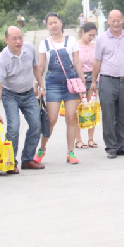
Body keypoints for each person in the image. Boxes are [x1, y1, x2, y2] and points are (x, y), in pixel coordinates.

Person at [0, 26, 46, 173]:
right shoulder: (2, 60)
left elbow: (36, 68)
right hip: (10, 95)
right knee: (13, 128)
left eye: (20, 37)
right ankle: (10, 162)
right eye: (14, 39)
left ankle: (27, 160)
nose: (18, 41)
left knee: (36, 125)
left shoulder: (29, 49)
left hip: (28, 93)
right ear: (6, 40)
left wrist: (41, 86)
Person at [35, 12, 87, 165]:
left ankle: (70, 152)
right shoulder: (44, 43)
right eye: (50, 23)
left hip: (71, 83)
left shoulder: (71, 41)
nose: (54, 25)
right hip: (52, 84)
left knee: (71, 118)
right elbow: (41, 66)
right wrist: (39, 84)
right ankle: (41, 149)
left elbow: (77, 62)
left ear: (61, 22)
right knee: (51, 120)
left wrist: (82, 82)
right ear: (47, 26)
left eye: (55, 22)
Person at [90, 10, 124, 159]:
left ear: (123, 20)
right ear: (108, 21)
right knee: (108, 114)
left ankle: (120, 145)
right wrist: (93, 81)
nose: (116, 23)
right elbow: (97, 61)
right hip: (107, 80)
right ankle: (111, 146)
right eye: (113, 21)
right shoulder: (101, 39)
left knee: (123, 114)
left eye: (119, 20)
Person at [75, 22, 99, 149]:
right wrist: (79, 81)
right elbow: (74, 63)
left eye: (94, 35)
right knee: (78, 109)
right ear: (83, 32)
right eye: (90, 35)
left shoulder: (95, 46)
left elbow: (98, 63)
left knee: (92, 108)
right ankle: (78, 139)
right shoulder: (75, 46)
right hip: (78, 80)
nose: (91, 38)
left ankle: (91, 138)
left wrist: (95, 80)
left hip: (93, 79)